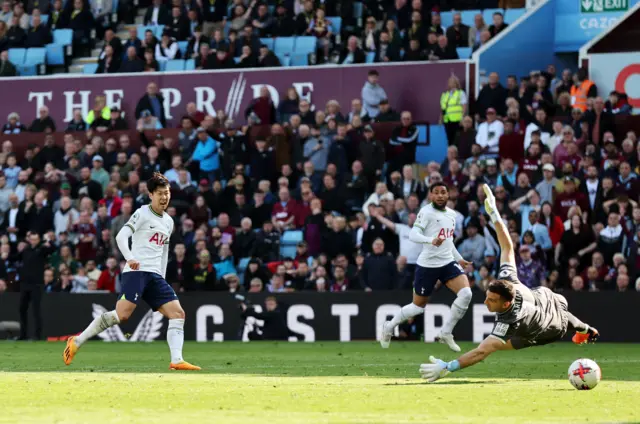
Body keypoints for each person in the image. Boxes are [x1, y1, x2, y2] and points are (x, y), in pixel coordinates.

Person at [419, 184, 599, 383]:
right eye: (487, 297)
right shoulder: (508, 281)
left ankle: (584, 329)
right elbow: (507, 246)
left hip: (546, 329)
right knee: (549, 312)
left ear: (505, 304)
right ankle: (585, 329)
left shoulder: (509, 320)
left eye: (491, 301)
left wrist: (448, 367)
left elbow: (481, 353)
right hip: (547, 297)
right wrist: (494, 214)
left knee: (499, 343)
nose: (486, 302)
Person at [63, 173, 201, 371]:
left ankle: (177, 360)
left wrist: (161, 276)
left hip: (154, 276)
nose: (164, 197)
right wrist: (130, 258)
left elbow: (164, 251)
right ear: (151, 195)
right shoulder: (142, 213)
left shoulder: (169, 222)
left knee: (178, 313)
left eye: (167, 193)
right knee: (122, 315)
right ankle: (76, 341)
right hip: (136, 272)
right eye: (160, 193)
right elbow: (121, 236)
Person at [380, 182, 473, 352]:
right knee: (417, 307)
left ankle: (446, 332)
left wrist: (459, 259)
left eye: (443, 192)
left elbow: (448, 240)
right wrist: (430, 240)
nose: (439, 195)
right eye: (436, 193)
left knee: (466, 293)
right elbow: (414, 234)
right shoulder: (426, 212)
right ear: (431, 196)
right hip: (428, 265)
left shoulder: (452, 215)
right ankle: (389, 326)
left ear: (448, 195)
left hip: (447, 262)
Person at [17, 232, 55, 339]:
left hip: (37, 284)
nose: (33, 241)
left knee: (35, 309)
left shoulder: (42, 249)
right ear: (29, 239)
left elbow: (53, 249)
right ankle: (23, 335)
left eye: (35, 239)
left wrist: (49, 241)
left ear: (38, 240)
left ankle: (37, 335)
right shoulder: (26, 250)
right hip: (25, 284)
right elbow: (15, 257)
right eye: (31, 239)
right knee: (22, 309)